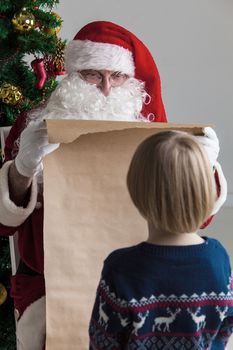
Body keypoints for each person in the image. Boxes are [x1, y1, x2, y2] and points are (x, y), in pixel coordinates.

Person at [0, 21, 226, 349]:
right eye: (93, 74)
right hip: (52, 284)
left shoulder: (150, 132)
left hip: (143, 281)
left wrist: (202, 168)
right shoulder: (31, 126)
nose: (106, 88)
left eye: (117, 76)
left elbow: (193, 218)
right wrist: (23, 166)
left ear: (131, 80)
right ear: (73, 74)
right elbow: (5, 223)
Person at [89, 130, 233, 350]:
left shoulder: (120, 269)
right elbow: (224, 330)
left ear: (137, 193)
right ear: (206, 193)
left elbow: (102, 342)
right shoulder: (219, 259)